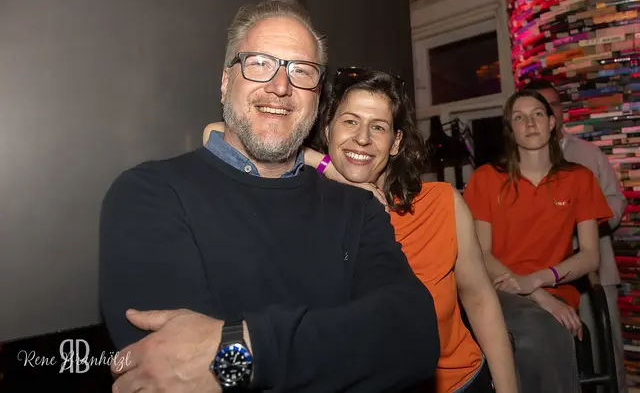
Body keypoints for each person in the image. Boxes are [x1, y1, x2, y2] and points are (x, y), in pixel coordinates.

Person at [99, 0, 441, 393]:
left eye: (301, 71)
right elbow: (170, 369)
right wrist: (340, 349)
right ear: (225, 82)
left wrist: (245, 350)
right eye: (260, 63)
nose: (280, 87)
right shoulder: (152, 194)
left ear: (317, 96)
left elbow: (413, 336)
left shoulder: (359, 208)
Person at [204, 67, 518, 393]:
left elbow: (480, 300)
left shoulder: (441, 204)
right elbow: (216, 133)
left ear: (396, 142)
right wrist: (328, 168)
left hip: (459, 384)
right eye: (350, 121)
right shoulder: (302, 212)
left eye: (378, 127)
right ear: (328, 129)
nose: (363, 138)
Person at [463, 89, 613, 393]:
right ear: (511, 128)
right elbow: (481, 253)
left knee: (542, 330)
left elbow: (590, 256)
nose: (530, 123)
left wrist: (537, 281)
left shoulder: (579, 178)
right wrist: (535, 293)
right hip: (497, 291)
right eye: (519, 117)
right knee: (535, 329)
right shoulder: (486, 178)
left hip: (555, 291)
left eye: (537, 114)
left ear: (552, 122)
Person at [523, 79, 628, 393]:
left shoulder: (588, 154)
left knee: (606, 354)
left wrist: (585, 222)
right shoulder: (521, 162)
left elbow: (616, 201)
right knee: (561, 359)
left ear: (559, 112)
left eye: (552, 105)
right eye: (537, 107)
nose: (546, 112)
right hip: (544, 278)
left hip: (594, 274)